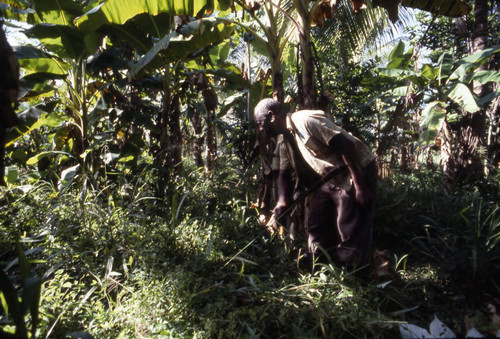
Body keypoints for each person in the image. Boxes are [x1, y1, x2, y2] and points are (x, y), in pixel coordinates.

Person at [253, 98, 376, 271]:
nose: (260, 129)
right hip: (330, 177)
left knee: (350, 223)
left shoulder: (305, 121)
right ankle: (318, 265)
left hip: (354, 170)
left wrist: (361, 186)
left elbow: (346, 146)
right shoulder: (284, 139)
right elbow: (284, 172)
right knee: (316, 223)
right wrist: (282, 201)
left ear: (271, 116)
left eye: (260, 123)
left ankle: (354, 275)